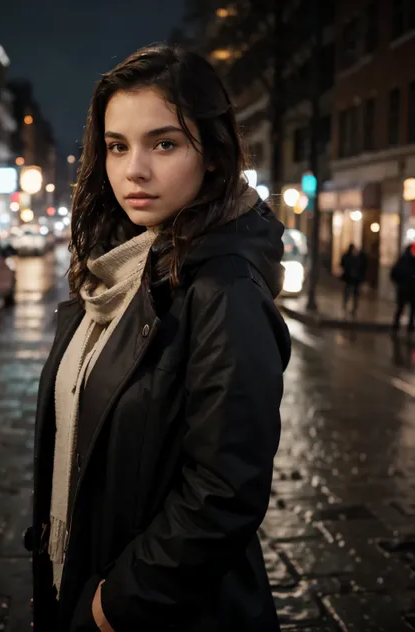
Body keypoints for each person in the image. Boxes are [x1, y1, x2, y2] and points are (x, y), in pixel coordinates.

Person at [26, 44, 291, 632]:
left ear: (214, 157)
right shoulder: (113, 270)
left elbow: (225, 492)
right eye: (117, 146)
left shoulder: (226, 292)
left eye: (164, 144)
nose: (133, 170)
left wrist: (116, 603)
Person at [391, 242, 415, 334]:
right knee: (401, 308)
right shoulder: (404, 260)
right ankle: (396, 326)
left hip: (412, 290)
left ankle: (409, 328)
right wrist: (401, 282)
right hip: (405, 289)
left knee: (411, 310)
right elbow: (394, 273)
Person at [340, 244, 367, 315]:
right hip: (350, 278)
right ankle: (348, 305)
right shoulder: (350, 257)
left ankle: (352, 307)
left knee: (352, 292)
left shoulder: (355, 257)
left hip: (354, 278)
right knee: (349, 292)